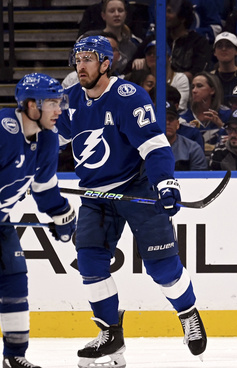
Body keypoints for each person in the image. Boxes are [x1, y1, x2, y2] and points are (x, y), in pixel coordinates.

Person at [56, 35, 207, 367]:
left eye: (89, 59)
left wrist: (165, 184)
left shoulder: (127, 97)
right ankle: (111, 333)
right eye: (78, 59)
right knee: (90, 261)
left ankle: (188, 312)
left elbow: (153, 146)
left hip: (136, 187)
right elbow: (47, 140)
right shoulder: (68, 101)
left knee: (163, 268)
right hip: (96, 194)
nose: (81, 65)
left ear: (107, 63)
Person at [0, 73, 77, 368]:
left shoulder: (47, 140)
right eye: (53, 103)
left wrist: (62, 214)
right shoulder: (4, 128)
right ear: (32, 106)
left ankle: (14, 356)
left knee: (15, 280)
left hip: (2, 220)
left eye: (60, 102)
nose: (59, 110)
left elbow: (43, 188)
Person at [130, 40, 190, 112]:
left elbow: (180, 106)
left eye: (156, 53)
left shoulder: (180, 78)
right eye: (149, 53)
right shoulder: (142, 78)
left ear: (169, 57)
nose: (152, 55)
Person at [180, 71, 231, 150]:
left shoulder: (227, 114)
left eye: (199, 86)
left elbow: (234, 140)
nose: (194, 91)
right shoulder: (183, 118)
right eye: (192, 87)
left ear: (212, 90)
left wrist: (221, 126)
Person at [166, 0, 212, 81]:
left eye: (170, 12)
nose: (165, 15)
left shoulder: (199, 43)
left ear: (182, 18)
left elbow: (197, 73)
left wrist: (172, 79)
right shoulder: (157, 38)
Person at [99, 0, 140, 74]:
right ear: (103, 15)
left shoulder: (133, 44)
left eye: (120, 11)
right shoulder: (93, 40)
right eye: (112, 11)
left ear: (125, 14)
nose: (117, 14)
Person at [165, 102, 208, 170]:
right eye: (163, 118)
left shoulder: (193, 148)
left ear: (177, 124)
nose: (167, 122)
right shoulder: (144, 147)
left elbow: (199, 178)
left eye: (171, 119)